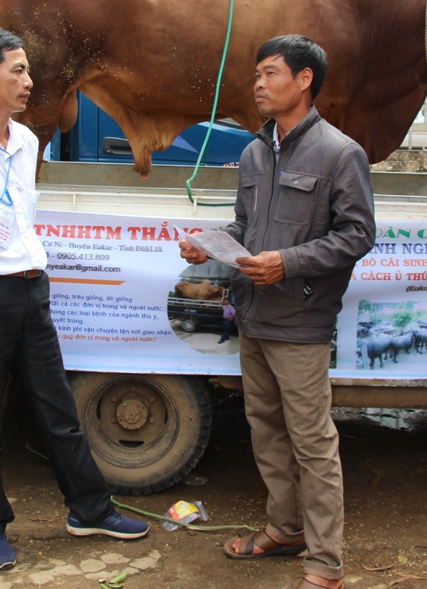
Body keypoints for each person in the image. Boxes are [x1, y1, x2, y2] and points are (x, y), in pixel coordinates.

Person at [0, 27, 149, 572]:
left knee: (57, 408)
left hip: (30, 289)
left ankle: (89, 509)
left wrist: (22, 277)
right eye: (16, 71)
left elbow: (20, 217)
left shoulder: (24, 143)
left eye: (26, 69)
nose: (28, 81)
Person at [180, 35, 375, 589]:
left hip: (302, 322)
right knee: (265, 431)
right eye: (257, 75)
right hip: (255, 315)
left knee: (312, 442)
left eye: (270, 74)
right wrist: (212, 243)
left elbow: (359, 235)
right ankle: (284, 529)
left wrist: (288, 263)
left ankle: (326, 563)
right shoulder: (254, 151)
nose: (259, 85)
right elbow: (247, 227)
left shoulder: (340, 153)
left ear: (305, 79)